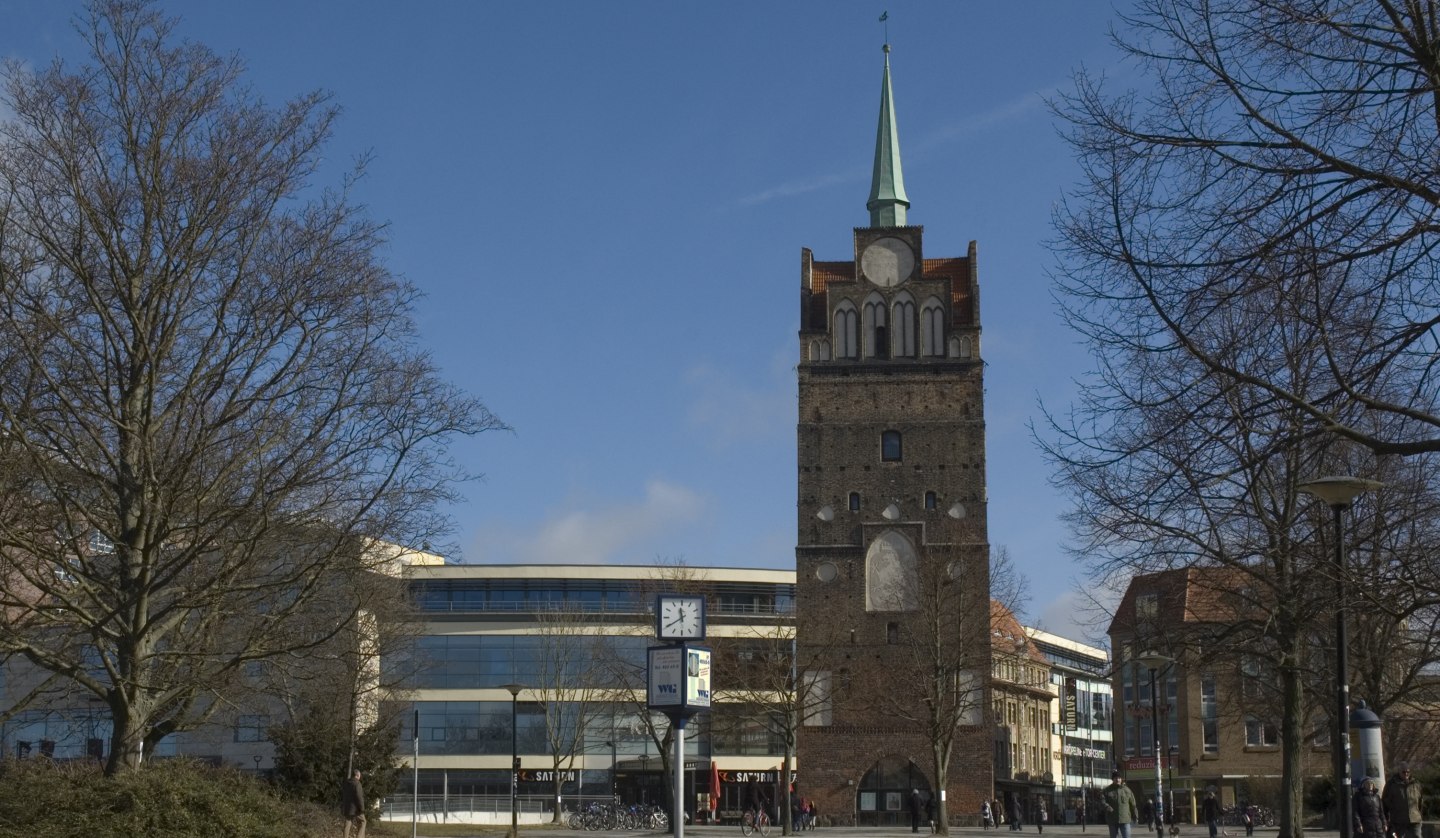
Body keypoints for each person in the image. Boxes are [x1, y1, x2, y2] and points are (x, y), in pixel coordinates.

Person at [1383, 763, 1424, 838]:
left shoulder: (1416, 783)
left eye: (1408, 772)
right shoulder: (1391, 784)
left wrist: (1419, 814)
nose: (1406, 774)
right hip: (1398, 820)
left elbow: (1420, 801)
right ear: (1399, 771)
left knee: (1417, 836)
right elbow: (1385, 802)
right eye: (1403, 772)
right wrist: (1386, 818)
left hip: (1415, 819)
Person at [1102, 771, 1139, 838]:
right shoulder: (1107, 790)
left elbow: (1133, 804)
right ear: (1112, 779)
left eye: (1119, 778)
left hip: (1125, 819)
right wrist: (1106, 806)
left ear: (1121, 779)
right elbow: (1102, 801)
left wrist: (1135, 816)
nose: (1118, 779)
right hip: (1112, 819)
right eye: (1116, 778)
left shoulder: (1127, 790)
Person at [341, 768, 366, 838]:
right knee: (363, 822)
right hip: (356, 808)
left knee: (348, 823)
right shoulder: (357, 784)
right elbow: (359, 797)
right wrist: (362, 808)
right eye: (360, 775)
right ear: (357, 775)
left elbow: (344, 795)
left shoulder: (346, 783)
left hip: (347, 807)